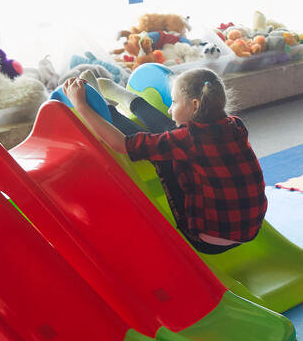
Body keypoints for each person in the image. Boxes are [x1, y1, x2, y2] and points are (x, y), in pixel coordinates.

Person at [63, 68, 266, 254]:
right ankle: (127, 99)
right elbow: (188, 137)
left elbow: (121, 144)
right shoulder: (235, 125)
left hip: (208, 239)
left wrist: (81, 105)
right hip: (250, 228)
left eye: (174, 102)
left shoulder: (188, 139)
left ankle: (109, 109)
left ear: (195, 105)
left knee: (163, 155)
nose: (170, 108)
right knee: (173, 135)